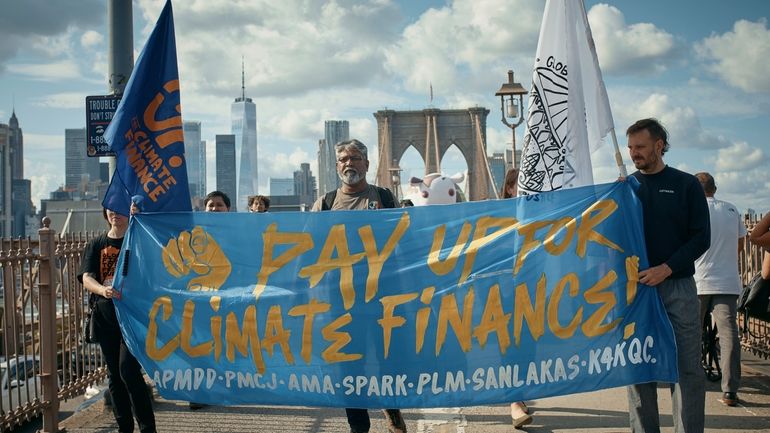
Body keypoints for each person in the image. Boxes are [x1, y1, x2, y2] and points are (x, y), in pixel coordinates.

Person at [311, 139, 406, 433]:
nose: (348, 163)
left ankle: (392, 410)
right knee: (349, 366)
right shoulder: (324, 204)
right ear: (336, 166)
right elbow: (308, 245)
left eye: (354, 158)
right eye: (342, 159)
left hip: (382, 297)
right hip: (341, 300)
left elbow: (405, 239)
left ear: (366, 163)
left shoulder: (384, 198)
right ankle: (358, 425)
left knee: (387, 359)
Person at [625, 118, 710, 433]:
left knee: (687, 369)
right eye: (631, 147)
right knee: (638, 369)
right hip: (638, 291)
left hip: (678, 287)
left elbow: (701, 237)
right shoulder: (627, 188)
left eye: (641, 147)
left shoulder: (686, 184)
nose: (634, 153)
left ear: (659, 145)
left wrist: (667, 268)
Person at [78, 209, 157, 433]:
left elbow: (151, 273)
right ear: (105, 213)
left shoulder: (139, 241)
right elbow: (87, 277)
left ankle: (148, 427)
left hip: (133, 317)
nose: (115, 214)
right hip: (106, 316)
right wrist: (103, 290)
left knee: (128, 371)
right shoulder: (96, 244)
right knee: (114, 374)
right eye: (111, 209)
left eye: (121, 210)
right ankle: (125, 427)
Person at [693, 172, 746, 407]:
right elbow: (740, 245)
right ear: (715, 188)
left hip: (698, 281)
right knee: (728, 335)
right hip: (727, 281)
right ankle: (730, 390)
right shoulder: (732, 210)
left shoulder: (692, 209)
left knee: (690, 333)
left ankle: (690, 384)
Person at [496, 167, 533, 427]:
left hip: (535, 289)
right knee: (512, 344)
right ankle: (515, 401)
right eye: (523, 183)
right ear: (510, 188)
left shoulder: (543, 214)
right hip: (505, 292)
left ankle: (519, 396)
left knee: (529, 345)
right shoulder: (496, 218)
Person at [189, 190, 232, 411]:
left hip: (231, 298)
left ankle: (225, 386)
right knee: (201, 343)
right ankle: (199, 392)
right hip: (203, 299)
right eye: (210, 205)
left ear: (228, 209)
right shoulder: (195, 235)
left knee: (227, 342)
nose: (214, 208)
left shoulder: (241, 233)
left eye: (219, 205)